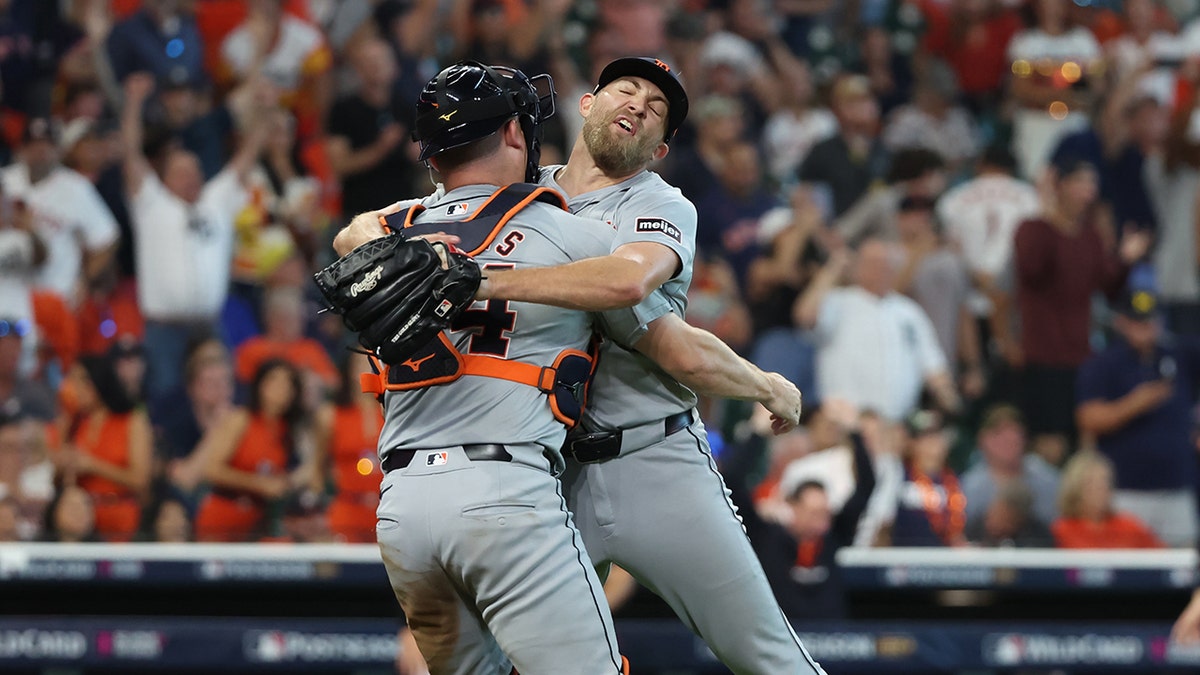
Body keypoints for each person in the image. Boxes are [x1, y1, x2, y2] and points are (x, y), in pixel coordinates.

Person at [334, 57, 819, 674]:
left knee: (765, 657)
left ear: (661, 147)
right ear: (587, 105)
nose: (640, 103)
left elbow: (642, 301)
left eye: (657, 107)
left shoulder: (660, 203)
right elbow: (367, 233)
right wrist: (384, 250)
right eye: (626, 89)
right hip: (546, 470)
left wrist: (765, 384)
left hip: (651, 459)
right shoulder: (522, 189)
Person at [347, 60, 627, 674]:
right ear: (512, 133)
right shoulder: (572, 235)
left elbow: (349, 240)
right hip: (504, 491)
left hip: (402, 506)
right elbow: (653, 318)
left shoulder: (391, 234)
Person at [724, 398, 876, 620]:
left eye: (825, 512)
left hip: (832, 643)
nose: (822, 521)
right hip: (779, 639)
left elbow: (866, 487)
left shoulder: (834, 536)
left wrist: (854, 432)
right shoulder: (765, 535)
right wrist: (757, 432)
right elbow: (731, 482)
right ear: (792, 507)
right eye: (813, 512)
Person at [1076, 290, 1200, 547]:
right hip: (1127, 492)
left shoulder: (1179, 355)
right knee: (1129, 574)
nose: (1145, 328)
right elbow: (1088, 418)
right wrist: (1135, 403)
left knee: (1184, 571)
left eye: (1150, 320)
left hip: (1177, 489)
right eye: (1137, 321)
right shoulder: (1105, 363)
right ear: (1121, 321)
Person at [795, 238, 960, 421]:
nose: (880, 269)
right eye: (872, 263)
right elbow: (804, 316)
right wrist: (832, 270)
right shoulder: (838, 302)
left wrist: (949, 401)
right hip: (845, 419)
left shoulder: (909, 312)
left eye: (886, 263)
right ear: (858, 267)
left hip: (896, 424)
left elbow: (933, 365)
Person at [193, 359, 311, 542]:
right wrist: (259, 484)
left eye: (288, 384)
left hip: (258, 522)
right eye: (275, 381)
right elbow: (211, 469)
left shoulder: (287, 432)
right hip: (223, 516)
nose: (282, 389)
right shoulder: (241, 420)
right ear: (260, 385)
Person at [53, 355, 151, 542]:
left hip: (121, 518)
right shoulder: (73, 422)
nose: (75, 389)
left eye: (81, 380)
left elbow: (140, 480)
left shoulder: (131, 421)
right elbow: (58, 482)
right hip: (80, 519)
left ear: (98, 381)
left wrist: (93, 465)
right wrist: (63, 465)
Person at [313, 352, 383, 543]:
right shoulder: (330, 415)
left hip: (389, 510)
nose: (366, 367)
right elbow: (317, 469)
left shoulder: (395, 411)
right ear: (348, 368)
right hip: (347, 510)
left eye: (372, 361)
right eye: (360, 361)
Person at [960, 404, 1060, 528]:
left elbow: (1058, 521)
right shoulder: (969, 487)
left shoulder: (1047, 478)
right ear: (982, 440)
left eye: (1015, 432)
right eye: (999, 433)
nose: (1010, 439)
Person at [1051, 449, 1164, 549]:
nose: (1101, 489)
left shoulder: (1129, 527)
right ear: (1075, 488)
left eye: (1105, 481)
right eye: (1091, 483)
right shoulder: (1061, 531)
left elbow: (1163, 558)